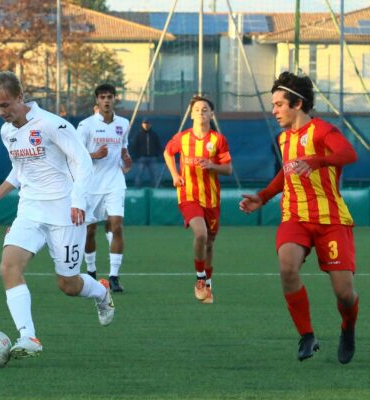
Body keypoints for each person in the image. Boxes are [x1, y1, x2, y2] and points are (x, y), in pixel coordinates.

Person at [0, 71, 115, 359]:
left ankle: (102, 292)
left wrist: (79, 201)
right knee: (8, 267)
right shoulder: (7, 132)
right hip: (30, 209)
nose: (2, 112)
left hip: (66, 211)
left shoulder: (54, 125)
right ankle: (28, 336)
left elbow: (82, 163)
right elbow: (20, 169)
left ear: (20, 96)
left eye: (6, 104)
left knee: (68, 284)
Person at [239, 72, 359, 364]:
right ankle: (307, 335)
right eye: (274, 104)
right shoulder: (283, 139)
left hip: (331, 220)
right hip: (295, 217)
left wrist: (316, 161)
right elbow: (287, 173)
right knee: (287, 267)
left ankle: (348, 328)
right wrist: (264, 196)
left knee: (344, 294)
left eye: (279, 104)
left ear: (298, 104)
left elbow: (348, 153)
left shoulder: (322, 131)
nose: (274, 110)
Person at [164, 95, 233, 305]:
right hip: (188, 195)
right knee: (200, 234)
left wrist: (212, 166)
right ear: (191, 114)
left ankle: (208, 282)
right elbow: (168, 153)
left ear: (211, 114)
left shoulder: (218, 140)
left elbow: (228, 169)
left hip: (211, 198)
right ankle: (200, 278)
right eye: (197, 109)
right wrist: (175, 175)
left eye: (205, 110)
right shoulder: (182, 138)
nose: (201, 113)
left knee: (209, 243)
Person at [76, 83, 132, 292]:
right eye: (102, 97)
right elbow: (75, 155)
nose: (106, 100)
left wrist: (126, 158)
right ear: (97, 101)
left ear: (115, 99)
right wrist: (94, 155)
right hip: (90, 185)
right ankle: (91, 272)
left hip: (115, 183)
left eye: (110, 97)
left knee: (116, 226)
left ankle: (114, 277)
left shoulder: (123, 123)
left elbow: (123, 148)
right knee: (89, 231)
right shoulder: (86, 125)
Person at [131, 118, 162, 187]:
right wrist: (137, 155)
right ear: (142, 124)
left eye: (147, 124)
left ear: (150, 125)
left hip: (152, 157)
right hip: (142, 157)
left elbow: (158, 145)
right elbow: (134, 146)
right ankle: (137, 187)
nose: (146, 125)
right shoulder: (138, 134)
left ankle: (156, 187)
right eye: (145, 124)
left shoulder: (154, 134)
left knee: (155, 174)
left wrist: (157, 154)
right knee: (139, 173)